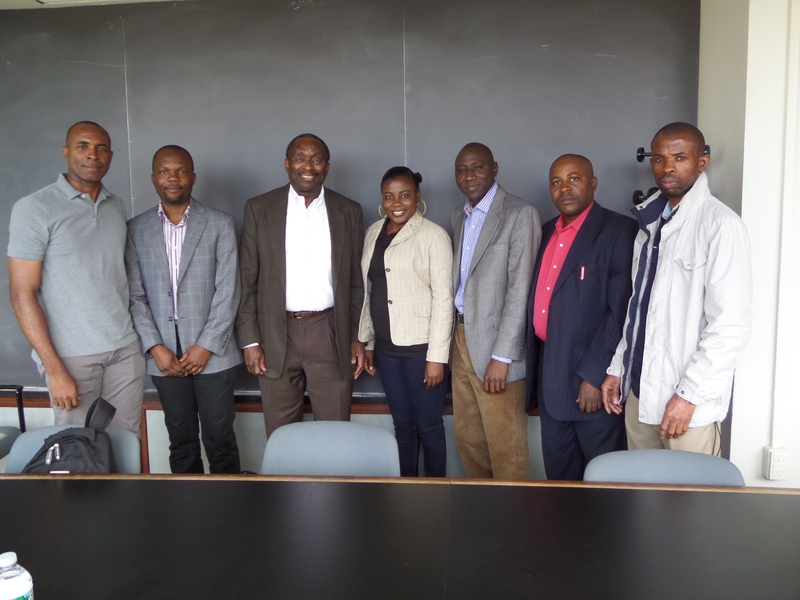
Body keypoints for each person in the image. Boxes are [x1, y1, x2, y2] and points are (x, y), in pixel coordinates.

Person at [601, 123, 752, 454]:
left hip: (687, 409)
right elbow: (639, 308)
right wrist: (618, 368)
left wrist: (689, 396)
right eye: (659, 158)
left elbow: (729, 327)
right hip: (639, 396)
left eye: (680, 157)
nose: (667, 167)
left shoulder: (721, 225)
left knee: (690, 489)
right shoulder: (649, 225)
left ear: (702, 162)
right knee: (639, 487)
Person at [7, 121, 145, 434]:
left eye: (101, 148)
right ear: (66, 152)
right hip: (71, 358)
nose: (93, 155)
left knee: (126, 444)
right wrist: (55, 370)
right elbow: (21, 293)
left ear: (110, 156)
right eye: (83, 146)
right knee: (78, 450)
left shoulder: (115, 206)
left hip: (125, 350)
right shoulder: (34, 208)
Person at [236, 134, 365, 437]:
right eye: (299, 158)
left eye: (316, 159)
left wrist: (358, 337)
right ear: (286, 164)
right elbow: (247, 280)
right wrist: (250, 341)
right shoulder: (259, 208)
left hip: (331, 333)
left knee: (334, 435)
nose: (308, 166)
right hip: (275, 336)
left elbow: (357, 283)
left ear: (327, 167)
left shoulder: (348, 211)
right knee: (281, 437)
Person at [125, 145, 242, 473]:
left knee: (220, 438)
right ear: (153, 178)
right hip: (164, 358)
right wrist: (155, 347)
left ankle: (230, 504)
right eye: (164, 171)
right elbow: (134, 295)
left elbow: (229, 290)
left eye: (180, 171)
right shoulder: (135, 229)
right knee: (181, 439)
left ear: (193, 177)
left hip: (214, 354)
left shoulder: (219, 223)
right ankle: (186, 503)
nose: (172, 178)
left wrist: (206, 345)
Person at [525, 154, 637, 480]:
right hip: (550, 381)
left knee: (604, 484)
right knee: (560, 482)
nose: (564, 188)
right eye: (556, 182)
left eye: (574, 178)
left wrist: (594, 375)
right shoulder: (545, 232)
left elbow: (621, 312)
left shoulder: (618, 230)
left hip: (593, 384)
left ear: (593, 183)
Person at [450, 142, 541, 479]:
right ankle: (483, 508)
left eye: (478, 167)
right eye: (462, 169)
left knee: (506, 447)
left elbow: (520, 290)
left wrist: (502, 356)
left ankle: (512, 512)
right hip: (460, 339)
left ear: (494, 169)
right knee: (469, 440)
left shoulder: (520, 214)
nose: (469, 175)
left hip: (496, 346)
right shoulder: (459, 216)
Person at [358, 167, 453, 477]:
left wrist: (437, 358)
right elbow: (372, 292)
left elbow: (444, 299)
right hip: (387, 351)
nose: (396, 203)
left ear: (417, 197)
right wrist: (369, 342)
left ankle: (436, 493)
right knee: (402, 425)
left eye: (404, 195)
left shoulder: (433, 236)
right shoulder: (373, 232)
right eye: (389, 196)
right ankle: (406, 490)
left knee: (429, 427)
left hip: (421, 351)